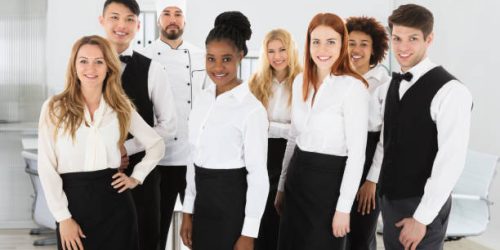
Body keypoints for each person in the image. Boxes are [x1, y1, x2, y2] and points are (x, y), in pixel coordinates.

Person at [37, 35, 165, 250]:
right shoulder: (54, 107)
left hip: (116, 207)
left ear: (109, 67)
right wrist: (63, 218)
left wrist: (136, 177)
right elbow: (47, 167)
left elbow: (156, 144)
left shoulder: (120, 106)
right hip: (72, 205)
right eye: (83, 61)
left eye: (99, 61)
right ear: (74, 66)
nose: (91, 68)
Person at [369, 4, 473, 250]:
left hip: (422, 205)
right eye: (397, 38)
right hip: (390, 200)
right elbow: (386, 142)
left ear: (429, 39)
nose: (403, 47)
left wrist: (421, 218)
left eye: (412, 39)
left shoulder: (451, 91)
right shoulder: (390, 86)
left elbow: (451, 160)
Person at [276, 13, 369, 250]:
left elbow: (357, 155)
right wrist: (281, 186)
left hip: (330, 185)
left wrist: (343, 209)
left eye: (331, 41)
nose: (322, 49)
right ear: (308, 44)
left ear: (342, 44)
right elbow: (293, 138)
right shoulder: (299, 82)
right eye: (316, 41)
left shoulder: (353, 87)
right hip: (297, 179)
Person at [179, 11, 269, 250]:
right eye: (211, 58)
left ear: (240, 56)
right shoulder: (202, 99)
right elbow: (193, 157)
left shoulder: (252, 110)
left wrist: (248, 234)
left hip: (232, 207)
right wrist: (188, 211)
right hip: (203, 204)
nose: (217, 67)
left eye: (226, 59)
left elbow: (259, 176)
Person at [99, 0, 177, 249]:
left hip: (141, 174)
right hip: (96, 173)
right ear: (102, 21)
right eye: (114, 17)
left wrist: (127, 148)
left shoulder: (153, 70)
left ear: (138, 25)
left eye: (129, 19)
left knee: (145, 238)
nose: (122, 25)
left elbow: (169, 125)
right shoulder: (86, 67)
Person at [139, 1, 205, 248]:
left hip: (193, 159)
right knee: (154, 231)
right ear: (159, 21)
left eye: (178, 14)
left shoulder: (201, 56)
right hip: (158, 159)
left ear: (185, 21)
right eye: (166, 14)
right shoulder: (143, 57)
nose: (172, 19)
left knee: (200, 232)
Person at [248, 28, 301, 250]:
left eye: (282, 50)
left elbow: (298, 130)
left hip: (291, 156)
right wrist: (281, 128)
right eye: (271, 51)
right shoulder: (255, 82)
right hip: (262, 155)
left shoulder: (303, 82)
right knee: (261, 215)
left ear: (291, 51)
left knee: (285, 215)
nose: (277, 56)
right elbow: (252, 125)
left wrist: (269, 127)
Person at [345, 16, 390, 250]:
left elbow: (385, 138)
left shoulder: (384, 82)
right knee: (338, 230)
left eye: (364, 44)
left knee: (362, 235)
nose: (356, 49)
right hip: (339, 159)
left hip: (369, 163)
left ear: (374, 50)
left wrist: (372, 180)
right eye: (351, 42)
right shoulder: (336, 79)